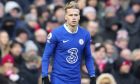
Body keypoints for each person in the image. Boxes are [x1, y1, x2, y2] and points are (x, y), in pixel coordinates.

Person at [42, 1, 95, 84]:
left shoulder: (85, 34)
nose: (73, 17)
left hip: (76, 79)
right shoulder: (55, 34)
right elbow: (46, 56)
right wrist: (44, 75)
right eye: (71, 15)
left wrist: (92, 75)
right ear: (66, 17)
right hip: (58, 79)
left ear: (79, 17)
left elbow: (88, 57)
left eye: (76, 15)